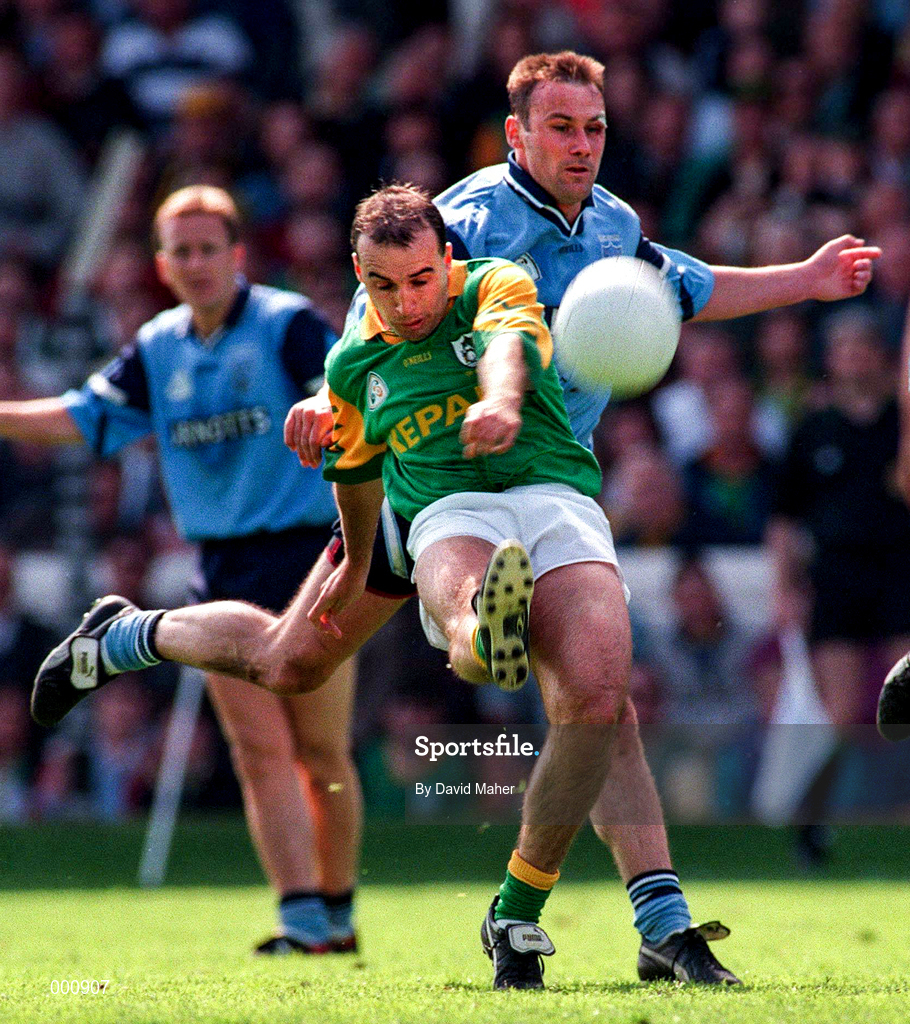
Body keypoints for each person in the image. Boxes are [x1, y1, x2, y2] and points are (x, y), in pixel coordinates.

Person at [33, 52, 878, 986]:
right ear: (516, 134)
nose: (583, 144)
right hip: (426, 485)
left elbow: (683, 290)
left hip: (546, 481)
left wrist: (804, 278)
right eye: (561, 127)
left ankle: (656, 921)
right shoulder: (468, 220)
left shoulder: (615, 226)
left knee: (599, 698)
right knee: (289, 660)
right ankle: (131, 633)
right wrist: (329, 405)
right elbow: (372, 331)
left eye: (594, 127)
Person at [4, 185, 362, 954]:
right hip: (221, 566)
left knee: (322, 752)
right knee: (258, 751)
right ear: (162, 264)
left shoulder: (287, 324)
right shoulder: (157, 347)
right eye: (181, 251)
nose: (196, 263)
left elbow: (346, 395)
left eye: (209, 248)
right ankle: (301, 920)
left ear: (237, 255)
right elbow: (81, 417)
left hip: (312, 556)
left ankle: (338, 911)